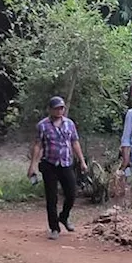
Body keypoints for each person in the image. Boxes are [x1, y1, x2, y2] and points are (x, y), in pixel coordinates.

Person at [27, 96, 87, 240]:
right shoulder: (43, 125)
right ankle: (54, 227)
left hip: (66, 163)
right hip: (49, 163)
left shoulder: (69, 124)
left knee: (72, 193)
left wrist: (82, 161)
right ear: (50, 109)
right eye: (57, 108)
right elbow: (38, 145)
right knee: (51, 197)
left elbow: (75, 142)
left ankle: (64, 217)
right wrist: (33, 165)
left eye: (62, 108)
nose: (59, 111)